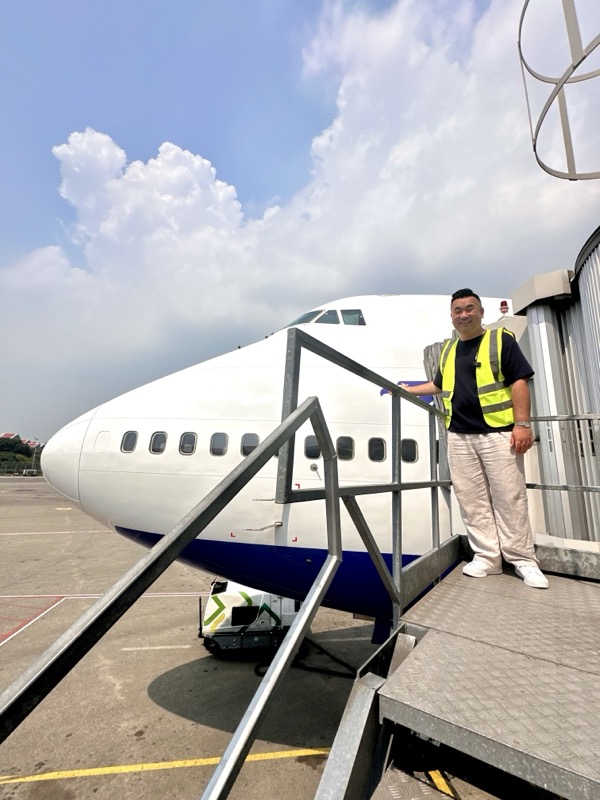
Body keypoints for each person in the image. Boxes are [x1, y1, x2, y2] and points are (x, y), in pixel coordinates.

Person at [402, 288, 548, 589]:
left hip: (497, 434)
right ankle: (487, 557)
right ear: (452, 316)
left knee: (509, 497)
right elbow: (439, 385)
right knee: (472, 500)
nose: (464, 314)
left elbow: (519, 381)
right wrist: (407, 389)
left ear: (481, 312)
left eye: (470, 308)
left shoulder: (499, 340)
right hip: (459, 435)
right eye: (458, 310)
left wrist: (522, 424)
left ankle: (523, 560)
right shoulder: (450, 350)